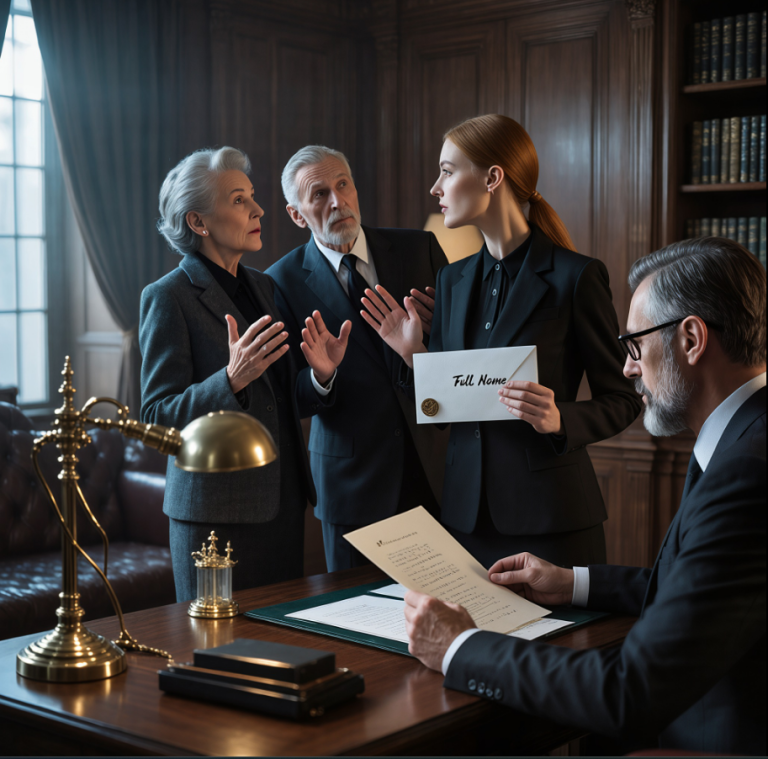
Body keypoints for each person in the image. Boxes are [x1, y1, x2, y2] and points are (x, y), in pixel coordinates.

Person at [404, 237, 766, 755]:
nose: (629, 368)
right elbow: (703, 591)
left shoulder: (746, 472)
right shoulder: (745, 438)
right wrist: (571, 582)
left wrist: (460, 646)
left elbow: (628, 691)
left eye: (635, 346)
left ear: (691, 339)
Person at [362, 115, 641, 568]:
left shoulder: (576, 277)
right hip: (464, 521)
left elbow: (624, 399)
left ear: (492, 178)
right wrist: (415, 356)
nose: (435, 187)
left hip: (552, 520)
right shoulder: (450, 281)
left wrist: (560, 419)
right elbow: (445, 414)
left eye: (447, 171)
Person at [140, 147, 350, 601]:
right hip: (213, 519)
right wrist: (230, 381)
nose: (258, 209)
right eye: (239, 200)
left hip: (283, 506)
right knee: (216, 644)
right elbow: (156, 418)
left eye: (252, 196)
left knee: (279, 639)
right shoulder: (168, 297)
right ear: (198, 221)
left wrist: (321, 376)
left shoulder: (265, 286)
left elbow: (280, 399)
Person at [266, 145, 449, 572]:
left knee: (447, 604)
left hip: (434, 470)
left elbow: (460, 352)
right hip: (351, 487)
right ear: (296, 215)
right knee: (358, 611)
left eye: (343, 185)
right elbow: (286, 396)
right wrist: (321, 377)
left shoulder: (420, 249)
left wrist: (427, 343)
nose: (337, 201)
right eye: (319, 194)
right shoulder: (279, 282)